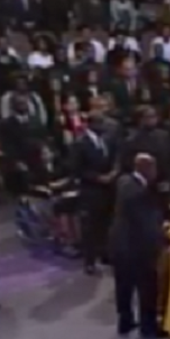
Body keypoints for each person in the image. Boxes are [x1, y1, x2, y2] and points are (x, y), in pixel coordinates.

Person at [108, 154, 170, 338]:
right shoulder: (139, 193)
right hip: (136, 248)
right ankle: (148, 326)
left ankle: (125, 321)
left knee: (124, 285)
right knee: (147, 287)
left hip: (118, 243)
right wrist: (168, 241)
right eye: (154, 168)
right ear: (147, 168)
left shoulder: (124, 181)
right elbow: (146, 224)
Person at [71, 111, 118, 275]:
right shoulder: (80, 143)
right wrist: (98, 178)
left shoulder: (106, 140)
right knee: (90, 227)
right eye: (100, 123)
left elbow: (113, 158)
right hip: (91, 191)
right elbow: (78, 169)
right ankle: (89, 261)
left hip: (108, 189)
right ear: (91, 124)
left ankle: (106, 254)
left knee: (106, 224)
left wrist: (113, 172)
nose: (104, 126)